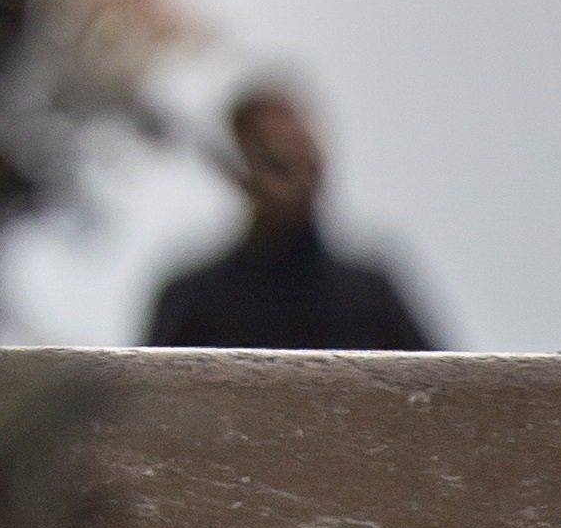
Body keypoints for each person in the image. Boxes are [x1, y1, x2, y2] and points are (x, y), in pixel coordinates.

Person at [144, 85, 438, 351]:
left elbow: (445, 395)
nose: (297, 181)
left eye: (306, 159)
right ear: (239, 172)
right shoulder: (195, 300)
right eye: (278, 165)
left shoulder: (369, 296)